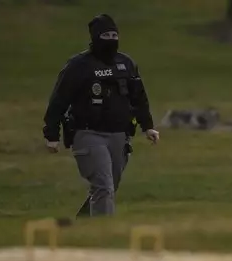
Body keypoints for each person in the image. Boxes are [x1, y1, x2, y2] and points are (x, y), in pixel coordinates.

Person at [42, 13, 159, 217]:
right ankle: (104, 235)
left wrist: (147, 125)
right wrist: (52, 135)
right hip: (88, 134)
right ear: (95, 38)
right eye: (106, 35)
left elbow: (138, 97)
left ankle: (85, 225)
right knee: (103, 186)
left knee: (109, 187)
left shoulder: (126, 64)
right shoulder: (78, 66)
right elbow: (59, 100)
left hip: (119, 135)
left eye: (115, 35)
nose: (112, 39)